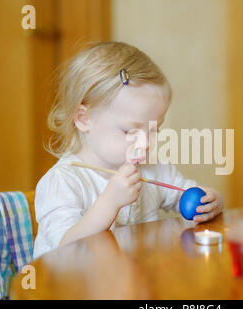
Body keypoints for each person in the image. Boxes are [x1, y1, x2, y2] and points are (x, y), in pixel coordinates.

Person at [33, 42, 225, 259]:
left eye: (154, 129)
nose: (144, 143)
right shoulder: (63, 182)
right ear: (83, 119)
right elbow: (65, 250)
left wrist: (212, 201)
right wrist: (110, 202)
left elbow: (187, 195)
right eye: (129, 131)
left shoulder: (152, 169)